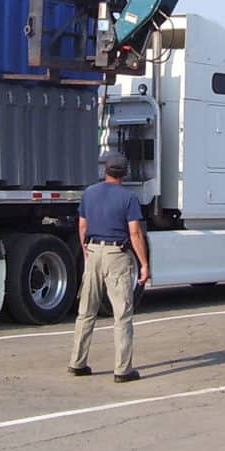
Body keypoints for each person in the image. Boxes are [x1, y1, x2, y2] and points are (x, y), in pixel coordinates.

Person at [68, 151, 151, 383]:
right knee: (122, 314)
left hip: (93, 252)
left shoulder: (89, 193)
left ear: (105, 170)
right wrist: (144, 264)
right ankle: (122, 369)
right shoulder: (128, 199)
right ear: (124, 173)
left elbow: (82, 226)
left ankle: (77, 362)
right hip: (117, 254)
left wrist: (86, 250)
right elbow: (134, 233)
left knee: (86, 311)